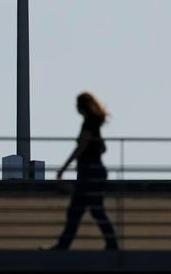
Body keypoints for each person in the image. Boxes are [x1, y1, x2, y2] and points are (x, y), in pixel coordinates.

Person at [45, 92, 118, 250]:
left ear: (81, 106)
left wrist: (64, 167)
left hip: (88, 171)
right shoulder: (95, 123)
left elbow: (81, 146)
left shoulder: (88, 123)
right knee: (90, 210)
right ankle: (111, 243)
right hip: (95, 170)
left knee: (78, 210)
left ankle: (64, 246)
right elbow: (102, 148)